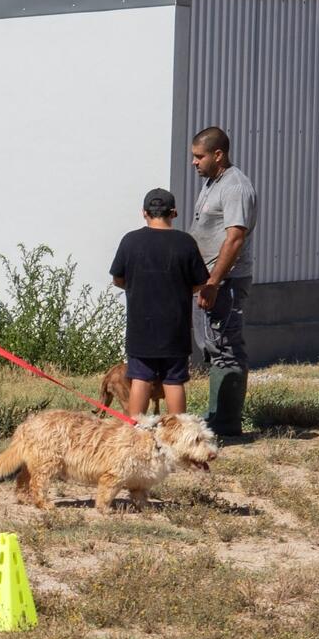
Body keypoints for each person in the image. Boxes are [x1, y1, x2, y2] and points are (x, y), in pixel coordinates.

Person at [111, 188, 210, 417]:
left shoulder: (130, 241)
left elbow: (118, 278)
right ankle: (178, 436)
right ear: (173, 213)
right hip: (175, 327)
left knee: (141, 379)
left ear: (144, 213)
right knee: (174, 380)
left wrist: (135, 287)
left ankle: (136, 433)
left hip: (140, 327)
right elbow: (199, 282)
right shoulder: (185, 243)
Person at [188, 126, 259, 440]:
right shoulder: (211, 182)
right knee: (212, 345)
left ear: (219, 155)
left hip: (225, 282)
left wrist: (213, 282)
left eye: (199, 156)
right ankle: (217, 416)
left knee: (226, 348)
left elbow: (235, 238)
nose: (194, 162)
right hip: (208, 281)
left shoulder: (235, 187)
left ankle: (227, 424)